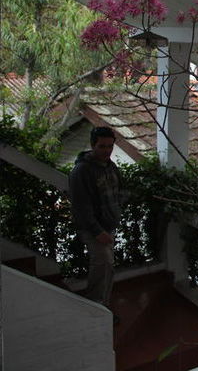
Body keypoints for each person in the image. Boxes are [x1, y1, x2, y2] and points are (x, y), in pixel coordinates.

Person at [69, 126, 122, 316]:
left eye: (110, 146)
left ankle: (103, 307)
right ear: (92, 145)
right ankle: (95, 310)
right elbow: (81, 207)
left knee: (107, 269)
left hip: (109, 226)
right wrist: (98, 231)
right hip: (95, 230)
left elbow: (117, 193)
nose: (106, 150)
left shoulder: (110, 166)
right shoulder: (81, 171)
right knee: (103, 266)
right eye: (102, 146)